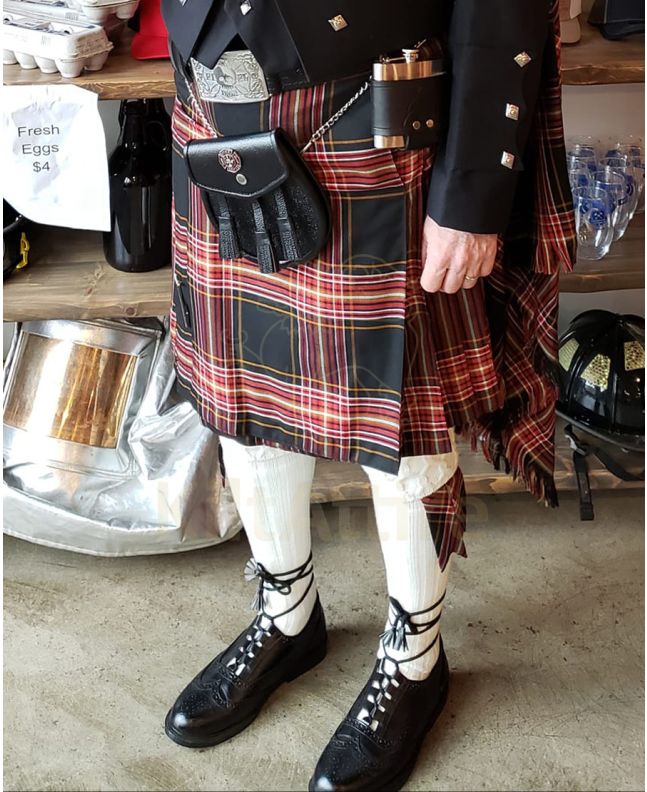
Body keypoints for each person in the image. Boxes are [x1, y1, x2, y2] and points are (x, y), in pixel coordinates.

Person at [160, 1, 576, 789]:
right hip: (212, 110)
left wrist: (469, 193)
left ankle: (415, 657)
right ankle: (287, 616)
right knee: (242, 406)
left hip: (374, 122)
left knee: (402, 429)